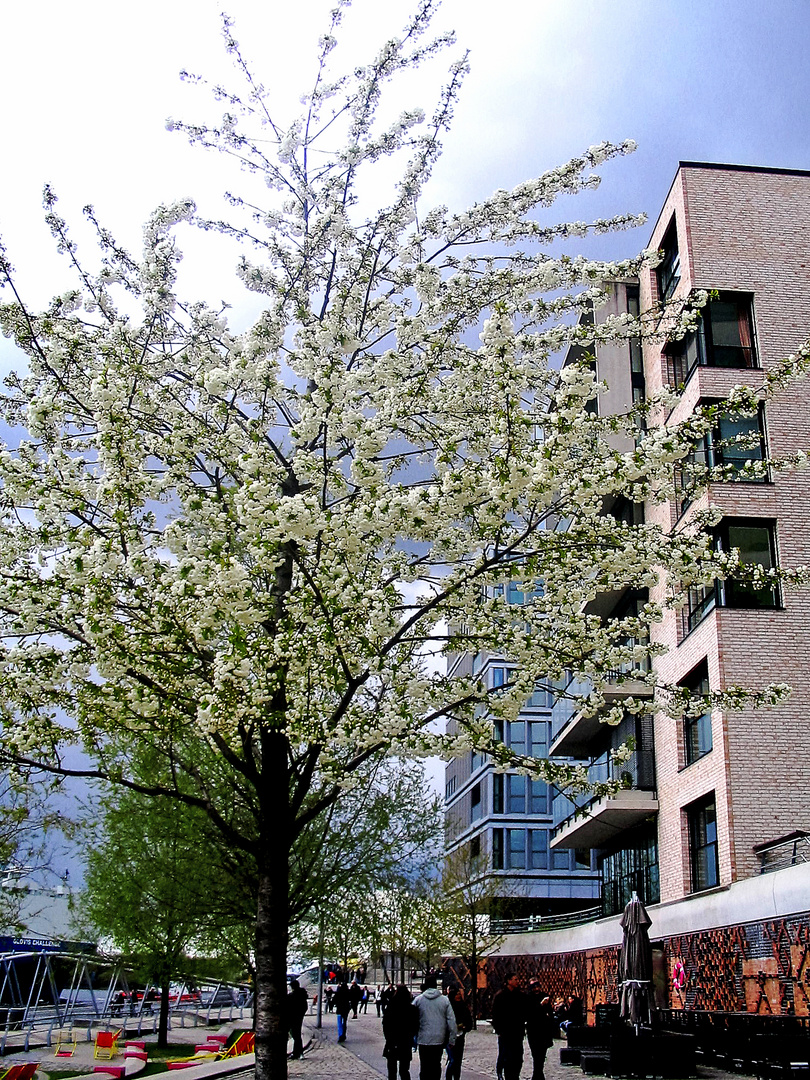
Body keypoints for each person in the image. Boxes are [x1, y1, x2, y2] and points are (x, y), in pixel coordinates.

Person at [413, 974, 455, 1080]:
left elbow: (411, 1018)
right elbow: (451, 1021)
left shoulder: (418, 1000)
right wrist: (452, 1040)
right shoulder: (444, 1000)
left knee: (425, 1066)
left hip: (423, 1038)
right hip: (439, 1038)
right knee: (436, 1064)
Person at [491, 974, 526, 1080]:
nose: (517, 981)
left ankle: (515, 1075)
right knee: (506, 1055)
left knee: (518, 1056)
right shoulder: (500, 996)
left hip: (517, 1031)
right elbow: (495, 1014)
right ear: (508, 981)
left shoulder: (520, 995)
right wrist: (499, 1029)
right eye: (515, 979)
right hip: (505, 1032)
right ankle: (505, 1074)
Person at [382, 984, 419, 1080]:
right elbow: (415, 1026)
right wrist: (410, 1036)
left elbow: (385, 1024)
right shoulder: (411, 1009)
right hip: (405, 1042)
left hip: (392, 1041)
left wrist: (388, 1038)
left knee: (392, 1070)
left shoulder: (391, 1007)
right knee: (404, 1070)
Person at [525, 979, 557, 1080]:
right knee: (535, 1053)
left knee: (542, 1054)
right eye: (534, 987)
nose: (536, 989)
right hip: (533, 1029)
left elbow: (549, 1013)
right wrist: (540, 1005)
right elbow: (529, 1013)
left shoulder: (544, 996)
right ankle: (537, 1074)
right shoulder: (528, 998)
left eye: (538, 986)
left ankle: (538, 1074)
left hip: (544, 1030)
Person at [444, 986, 473, 1080]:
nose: (459, 996)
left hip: (460, 1036)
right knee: (452, 1059)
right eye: (457, 994)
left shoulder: (463, 1006)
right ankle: (449, 1076)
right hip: (450, 1036)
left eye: (459, 994)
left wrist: (464, 1027)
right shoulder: (448, 1007)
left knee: (458, 1060)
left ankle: (456, 1077)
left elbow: (469, 1021)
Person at [286, 978, 310, 1059]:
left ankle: (299, 1053)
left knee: (295, 1035)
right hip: (299, 1017)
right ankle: (297, 1052)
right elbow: (305, 1007)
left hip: (292, 1017)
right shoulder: (302, 995)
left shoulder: (291, 996)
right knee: (297, 1035)